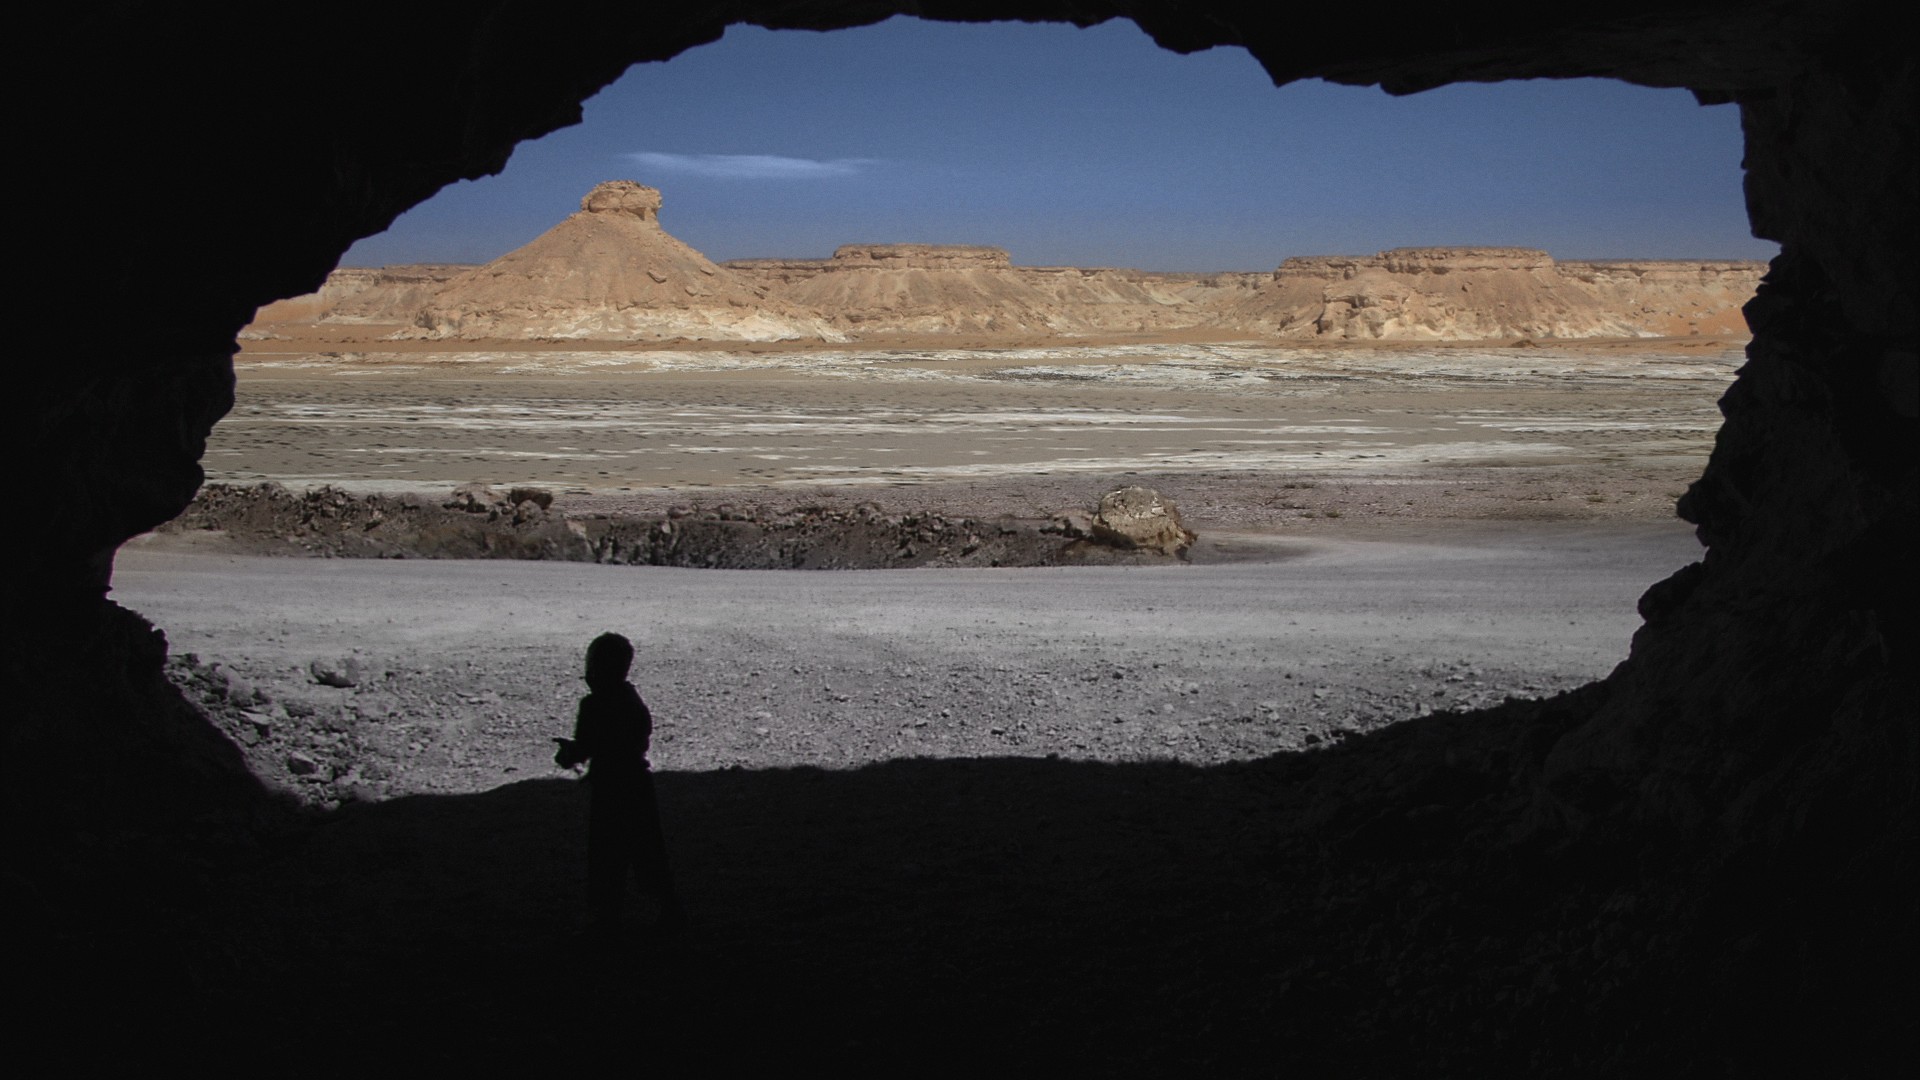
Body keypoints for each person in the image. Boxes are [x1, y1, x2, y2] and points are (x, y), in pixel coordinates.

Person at [554, 632, 685, 931]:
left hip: (609, 789)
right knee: (648, 850)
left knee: (606, 853)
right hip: (637, 785)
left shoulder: (593, 705)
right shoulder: (632, 701)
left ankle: (607, 917)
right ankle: (668, 909)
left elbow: (584, 749)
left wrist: (567, 753)